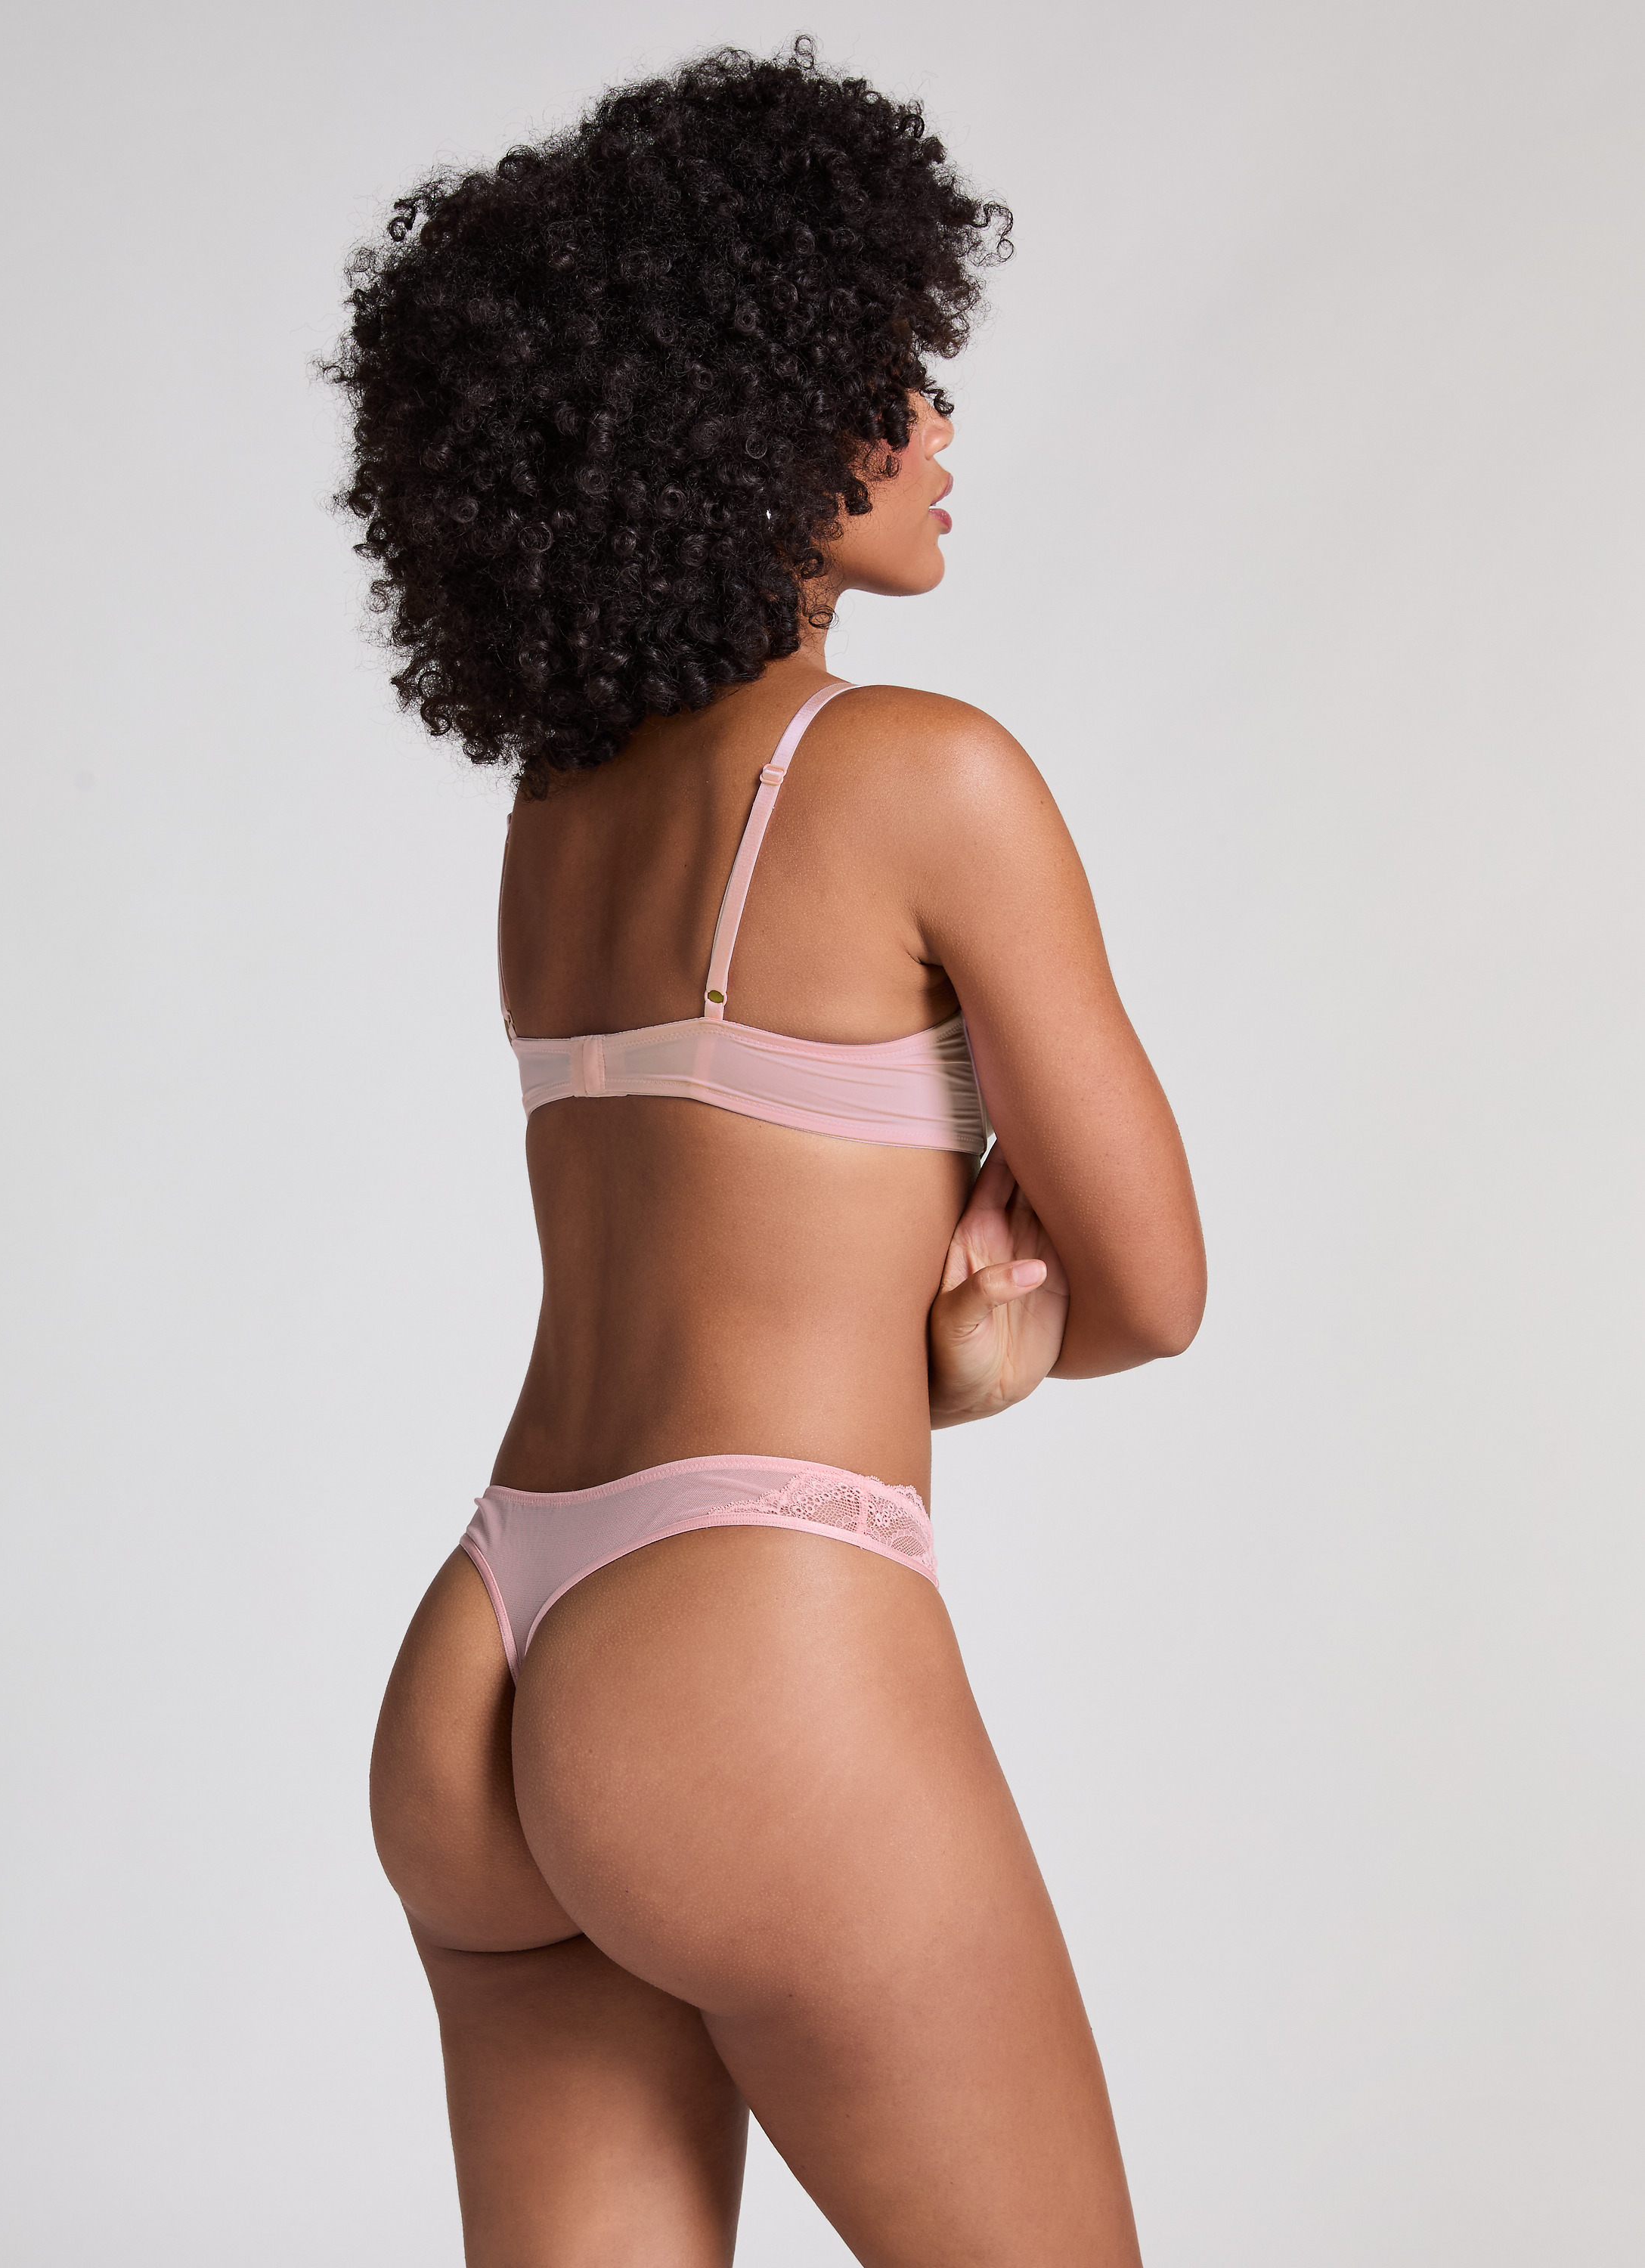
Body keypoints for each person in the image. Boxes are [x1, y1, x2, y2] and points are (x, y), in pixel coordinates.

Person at [326, 40, 1205, 2267]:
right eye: (881, 376)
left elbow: (719, 1231)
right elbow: (1155, 1291)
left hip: (485, 1653)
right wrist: (980, 1361)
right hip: (747, 1649)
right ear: (743, 423)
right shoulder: (921, 771)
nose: (933, 426)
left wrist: (920, 1357)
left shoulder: (556, 823)